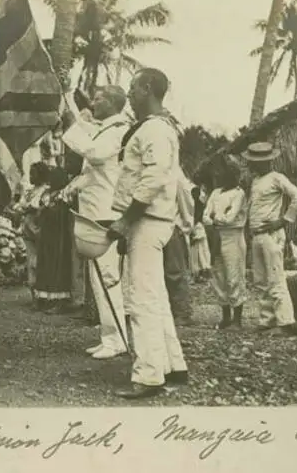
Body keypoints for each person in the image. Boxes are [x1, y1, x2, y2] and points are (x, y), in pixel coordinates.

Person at [108, 67, 188, 399]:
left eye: (132, 88)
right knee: (154, 297)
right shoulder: (156, 128)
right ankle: (173, 365)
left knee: (141, 299)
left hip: (147, 221)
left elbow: (153, 179)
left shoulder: (155, 130)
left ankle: (148, 376)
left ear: (147, 88)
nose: (129, 94)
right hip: (152, 221)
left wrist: (126, 220)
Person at [61, 84, 130, 359]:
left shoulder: (118, 130)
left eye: (99, 99)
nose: (93, 103)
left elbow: (93, 152)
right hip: (95, 211)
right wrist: (68, 99)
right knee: (98, 278)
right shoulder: (104, 129)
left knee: (108, 277)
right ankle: (109, 336)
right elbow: (85, 134)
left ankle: (118, 339)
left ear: (113, 103)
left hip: (106, 212)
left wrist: (72, 124)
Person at [242, 142, 297, 334]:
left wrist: (284, 221)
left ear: (266, 162)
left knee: (276, 278)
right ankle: (267, 319)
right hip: (258, 234)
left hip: (271, 234)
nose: (253, 165)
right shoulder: (256, 181)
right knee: (261, 280)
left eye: (256, 162)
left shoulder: (277, 178)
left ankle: (285, 322)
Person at [203, 159, 248, 329]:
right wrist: (215, 218)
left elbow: (231, 218)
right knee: (218, 274)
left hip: (233, 236)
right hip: (217, 236)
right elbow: (205, 216)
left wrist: (215, 217)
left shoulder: (239, 193)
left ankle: (237, 319)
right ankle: (225, 316)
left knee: (234, 275)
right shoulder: (215, 193)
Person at [32, 165, 74, 311]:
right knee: (45, 264)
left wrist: (49, 208)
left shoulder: (64, 195)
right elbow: (39, 212)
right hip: (46, 235)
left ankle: (58, 301)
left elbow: (63, 214)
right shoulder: (47, 194)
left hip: (59, 236)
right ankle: (43, 298)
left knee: (57, 266)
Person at [164, 172, 200, 325]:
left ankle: (181, 312)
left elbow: (187, 200)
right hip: (151, 226)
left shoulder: (175, 174)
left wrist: (185, 226)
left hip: (172, 225)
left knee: (174, 271)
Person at [16, 162, 49, 290]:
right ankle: (33, 290)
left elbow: (44, 207)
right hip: (28, 228)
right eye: (30, 174)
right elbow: (20, 205)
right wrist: (20, 210)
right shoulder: (29, 191)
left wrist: (33, 208)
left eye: (33, 174)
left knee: (40, 261)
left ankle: (43, 290)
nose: (30, 177)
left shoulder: (46, 191)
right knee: (31, 261)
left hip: (40, 227)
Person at [188, 185, 212, 281]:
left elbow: (197, 217)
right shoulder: (192, 204)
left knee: (202, 251)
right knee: (196, 252)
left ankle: (203, 271)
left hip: (197, 227)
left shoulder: (199, 204)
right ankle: (196, 273)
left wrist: (192, 228)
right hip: (194, 227)